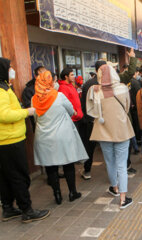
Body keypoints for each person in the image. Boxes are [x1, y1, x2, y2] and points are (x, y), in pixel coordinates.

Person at [0, 57, 50, 223]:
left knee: (7, 176)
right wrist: (27, 112)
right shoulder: (1, 91)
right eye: (9, 68)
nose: (12, 70)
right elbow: (4, 114)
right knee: (19, 176)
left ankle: (8, 208)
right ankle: (27, 210)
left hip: (7, 139)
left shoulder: (5, 87)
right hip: (10, 140)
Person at [32, 71, 87, 205]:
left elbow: (35, 117)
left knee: (51, 167)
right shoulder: (59, 96)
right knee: (68, 164)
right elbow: (70, 110)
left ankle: (57, 195)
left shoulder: (34, 99)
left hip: (44, 137)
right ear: (50, 81)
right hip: (62, 136)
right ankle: (72, 192)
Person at [87, 63, 134, 209]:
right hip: (121, 129)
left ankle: (114, 188)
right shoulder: (123, 88)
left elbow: (90, 111)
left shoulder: (93, 90)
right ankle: (123, 198)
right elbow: (126, 107)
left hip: (103, 130)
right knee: (121, 164)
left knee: (109, 161)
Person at [79, 60, 107, 180]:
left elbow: (83, 104)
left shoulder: (88, 84)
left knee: (89, 147)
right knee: (107, 146)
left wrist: (86, 118)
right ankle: (112, 171)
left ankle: (87, 170)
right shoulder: (108, 83)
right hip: (104, 120)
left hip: (91, 120)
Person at [21, 66, 46, 131]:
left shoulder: (48, 87)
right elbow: (29, 107)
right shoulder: (29, 90)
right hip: (39, 124)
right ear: (35, 76)